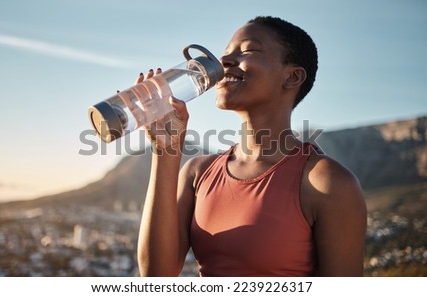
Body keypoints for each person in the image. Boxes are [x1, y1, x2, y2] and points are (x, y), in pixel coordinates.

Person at [136, 16, 367, 276]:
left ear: (292, 77)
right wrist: (166, 150)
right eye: (225, 54)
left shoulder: (327, 183)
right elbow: (155, 277)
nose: (223, 63)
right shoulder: (198, 172)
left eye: (248, 50)